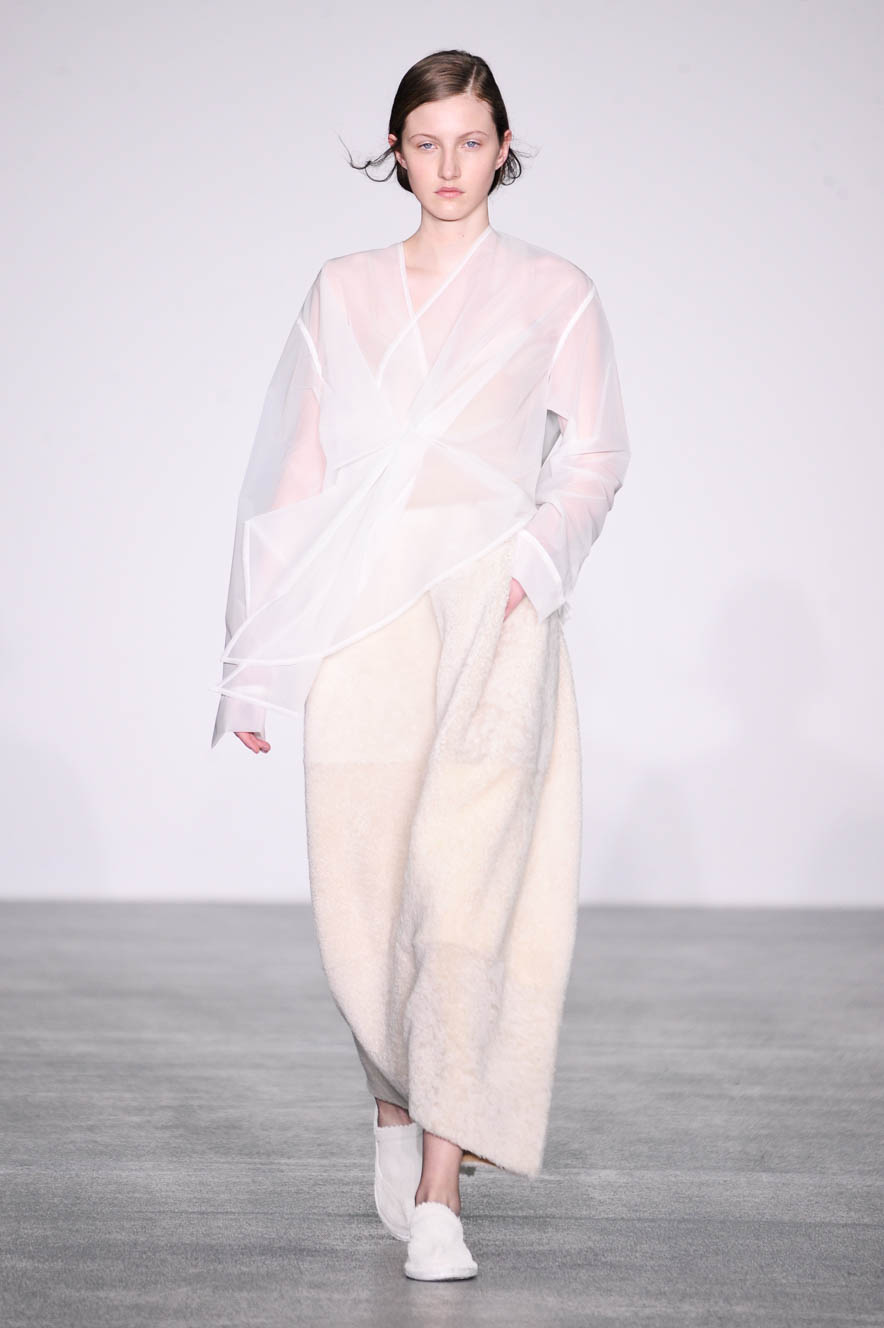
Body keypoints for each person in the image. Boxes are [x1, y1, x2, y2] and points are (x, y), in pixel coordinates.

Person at [209, 48, 631, 1281]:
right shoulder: (340, 288)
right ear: (395, 151)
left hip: (491, 613)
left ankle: (442, 1190)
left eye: (470, 140)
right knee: (365, 893)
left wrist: (531, 566)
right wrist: (255, 657)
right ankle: (393, 1107)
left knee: (462, 889)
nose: (449, 165)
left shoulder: (554, 290)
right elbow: (293, 476)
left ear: (502, 148)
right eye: (425, 141)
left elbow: (595, 454)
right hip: (363, 614)